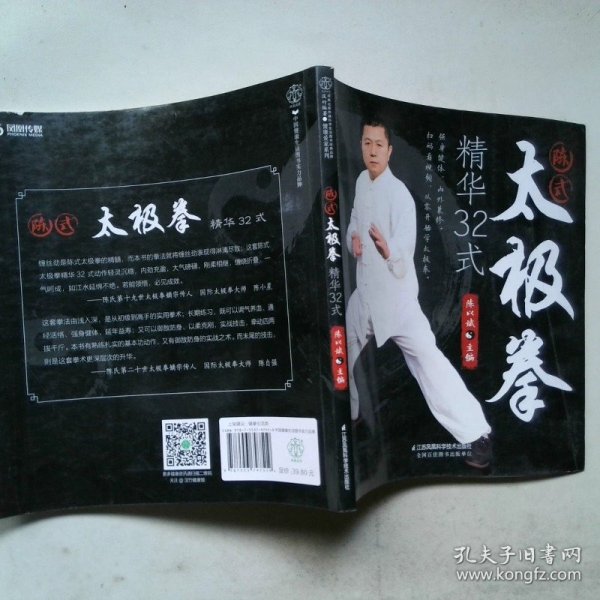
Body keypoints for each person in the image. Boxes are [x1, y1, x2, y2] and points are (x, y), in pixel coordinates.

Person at [345, 117, 492, 468]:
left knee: (429, 362)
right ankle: (352, 416)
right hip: (364, 298)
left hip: (398, 303)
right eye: (367, 143)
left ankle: (477, 434)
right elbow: (353, 224)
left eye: (379, 145)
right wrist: (353, 241)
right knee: (341, 351)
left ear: (389, 151)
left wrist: (387, 250)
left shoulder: (400, 196)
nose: (372, 151)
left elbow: (404, 249)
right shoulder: (362, 182)